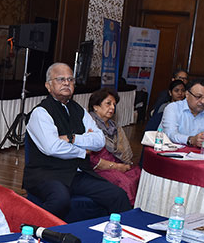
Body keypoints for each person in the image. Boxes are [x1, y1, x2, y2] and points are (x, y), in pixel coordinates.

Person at [23, 62, 132, 220]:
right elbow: (53, 147)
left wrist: (72, 138)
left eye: (70, 79)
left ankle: (124, 234)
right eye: (60, 79)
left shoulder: (79, 110)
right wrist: (82, 151)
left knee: (118, 195)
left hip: (77, 173)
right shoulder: (41, 113)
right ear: (48, 86)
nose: (66, 83)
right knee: (60, 200)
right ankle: (29, 228)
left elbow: (99, 140)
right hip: (46, 174)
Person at [87, 88, 142, 205]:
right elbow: (90, 158)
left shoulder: (114, 126)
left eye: (114, 105)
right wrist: (116, 166)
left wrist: (123, 165)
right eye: (108, 103)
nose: (112, 107)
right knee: (124, 182)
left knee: (138, 173)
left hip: (117, 163)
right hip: (99, 167)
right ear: (95, 106)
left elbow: (124, 153)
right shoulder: (89, 126)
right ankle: (126, 212)